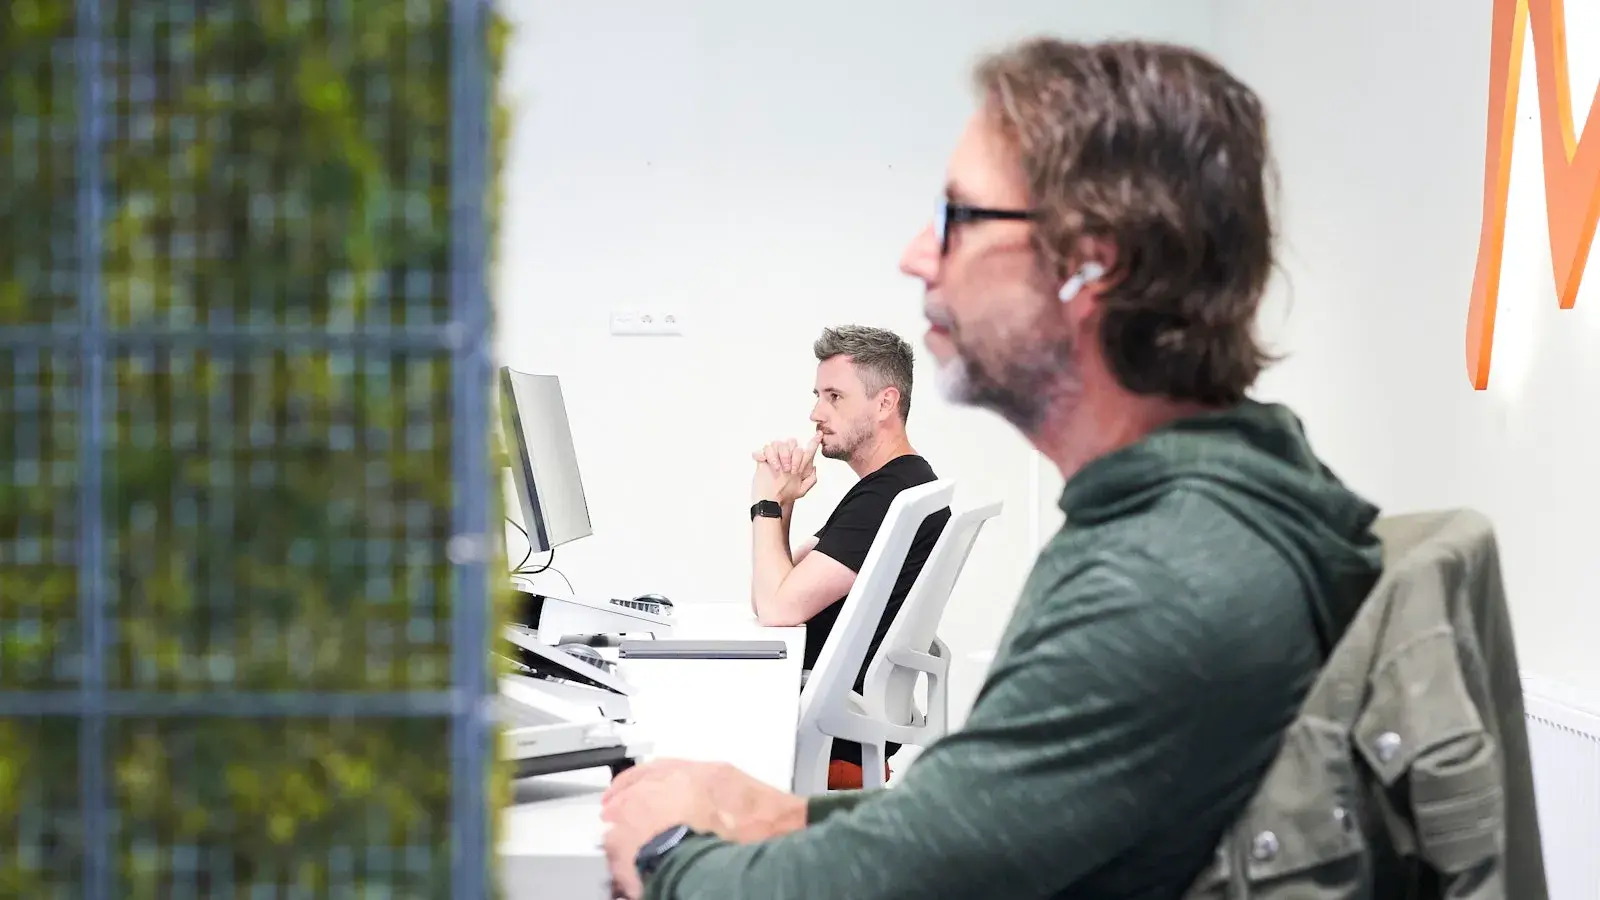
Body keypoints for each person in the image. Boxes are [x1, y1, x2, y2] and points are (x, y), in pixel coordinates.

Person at [600, 36, 1386, 899]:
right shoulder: (1192, 511)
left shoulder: (1162, 580)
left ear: (1096, 262)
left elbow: (925, 884)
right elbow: (966, 829)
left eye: (957, 219)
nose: (916, 255)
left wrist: (669, 851)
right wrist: (778, 814)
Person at [747, 324, 950, 790]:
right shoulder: (896, 486)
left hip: (824, 736)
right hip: (831, 719)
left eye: (834, 396)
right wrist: (784, 502)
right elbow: (772, 591)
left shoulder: (889, 497)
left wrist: (763, 502)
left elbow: (776, 607)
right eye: (818, 395)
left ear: (885, 403)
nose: (816, 412)